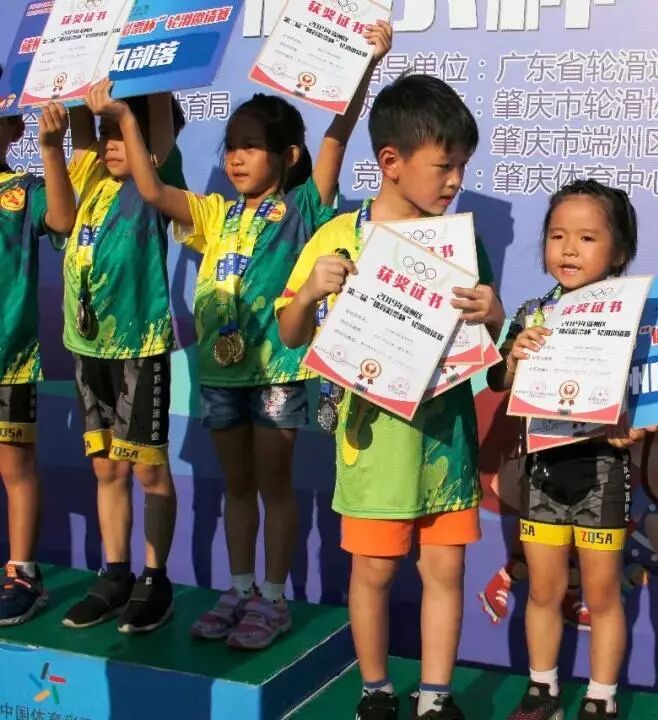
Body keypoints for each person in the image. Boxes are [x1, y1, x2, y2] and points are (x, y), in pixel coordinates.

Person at [87, 20, 392, 651]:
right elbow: (151, 188)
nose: (236, 157)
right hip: (220, 376)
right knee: (237, 486)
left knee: (275, 485)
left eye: (252, 146)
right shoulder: (214, 213)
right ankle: (240, 589)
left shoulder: (305, 207)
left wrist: (365, 63)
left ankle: (274, 599)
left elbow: (337, 134)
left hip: (278, 373)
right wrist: (123, 119)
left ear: (288, 157)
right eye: (231, 145)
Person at [276, 74, 505, 719]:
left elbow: (489, 348)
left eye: (462, 167)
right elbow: (289, 332)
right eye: (444, 166)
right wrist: (309, 292)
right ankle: (375, 689)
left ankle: (436, 696)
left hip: (445, 446)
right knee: (373, 574)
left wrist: (494, 314)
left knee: (445, 573)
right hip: (371, 448)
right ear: (391, 161)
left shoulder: (463, 244)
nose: (455, 181)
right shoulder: (337, 236)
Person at [488, 179, 645, 720]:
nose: (569, 249)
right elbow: (497, 380)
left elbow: (650, 392)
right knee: (543, 590)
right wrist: (514, 359)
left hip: (603, 472)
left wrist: (634, 424)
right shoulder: (533, 313)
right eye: (557, 236)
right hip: (542, 471)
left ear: (619, 253)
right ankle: (542, 691)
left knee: (601, 595)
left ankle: (601, 698)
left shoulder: (633, 317)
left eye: (586, 237)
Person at [61, 91, 187, 634]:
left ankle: (155, 582)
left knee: (148, 469)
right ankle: (116, 575)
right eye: (105, 133)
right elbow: (78, 121)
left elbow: (155, 129)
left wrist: (141, 105)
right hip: (87, 349)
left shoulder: (156, 178)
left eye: (122, 133)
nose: (111, 145)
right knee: (107, 468)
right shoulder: (90, 177)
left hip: (138, 346)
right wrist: (72, 81)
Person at [0, 92, 76, 626]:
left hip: (10, 360)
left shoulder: (22, 191)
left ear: (12, 130)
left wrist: (51, 148)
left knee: (16, 468)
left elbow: (64, 220)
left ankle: (23, 572)